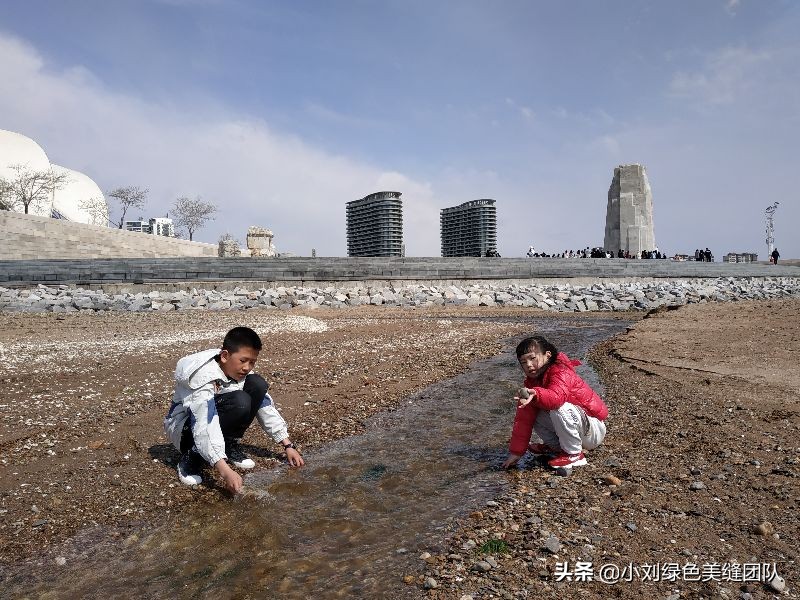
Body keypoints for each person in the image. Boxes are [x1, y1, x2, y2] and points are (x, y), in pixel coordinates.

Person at [164, 326, 304, 493]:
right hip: (184, 430)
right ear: (225, 356)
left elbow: (265, 405)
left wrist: (287, 445)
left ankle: (228, 444)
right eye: (243, 361)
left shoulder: (237, 369)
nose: (247, 367)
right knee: (240, 401)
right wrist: (225, 471)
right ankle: (191, 456)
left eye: (252, 362)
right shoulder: (201, 377)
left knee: (257, 385)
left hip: (213, 418)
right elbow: (203, 422)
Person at [502, 335, 608, 470]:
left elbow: (556, 399)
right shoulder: (531, 382)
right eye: (523, 362)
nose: (528, 365)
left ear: (548, 355)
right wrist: (516, 452)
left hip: (593, 432)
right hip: (579, 429)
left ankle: (574, 454)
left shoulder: (561, 371)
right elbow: (523, 420)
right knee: (529, 409)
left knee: (559, 408)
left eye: (532, 358)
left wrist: (537, 394)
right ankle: (557, 447)